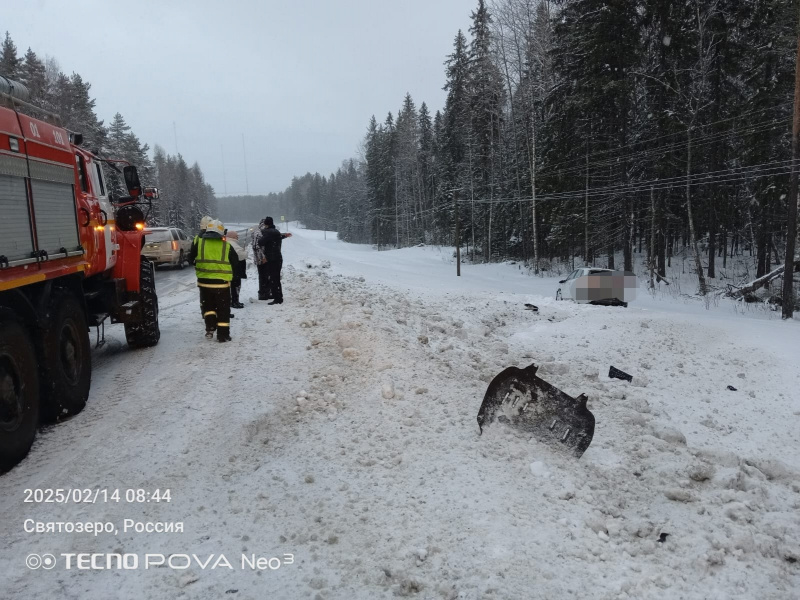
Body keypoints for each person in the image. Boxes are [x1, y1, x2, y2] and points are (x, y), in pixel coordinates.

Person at [188, 219, 238, 342]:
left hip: (204, 283)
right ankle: (223, 335)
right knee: (223, 310)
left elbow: (190, 258)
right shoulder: (226, 246)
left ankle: (210, 327)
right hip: (222, 285)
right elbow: (235, 263)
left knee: (208, 306)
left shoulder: (200, 244)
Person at [257, 216, 292, 305]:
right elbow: (279, 237)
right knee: (276, 278)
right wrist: (285, 235)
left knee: (273, 279)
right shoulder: (276, 231)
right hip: (278, 257)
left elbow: (260, 242)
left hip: (272, 259)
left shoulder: (267, 232)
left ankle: (277, 299)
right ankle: (279, 296)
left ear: (266, 224)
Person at [225, 229, 247, 309]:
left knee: (230, 286)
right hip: (234, 268)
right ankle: (235, 302)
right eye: (236, 236)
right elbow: (240, 255)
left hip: (228, 268)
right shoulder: (232, 244)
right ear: (233, 237)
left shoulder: (226, 242)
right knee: (236, 285)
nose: (238, 237)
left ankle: (231, 301)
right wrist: (245, 253)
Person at [253, 219, 271, 301]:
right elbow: (256, 247)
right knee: (263, 276)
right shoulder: (258, 233)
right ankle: (262, 294)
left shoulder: (261, 231)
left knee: (265, 276)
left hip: (262, 258)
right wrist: (262, 257)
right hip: (260, 259)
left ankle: (265, 293)